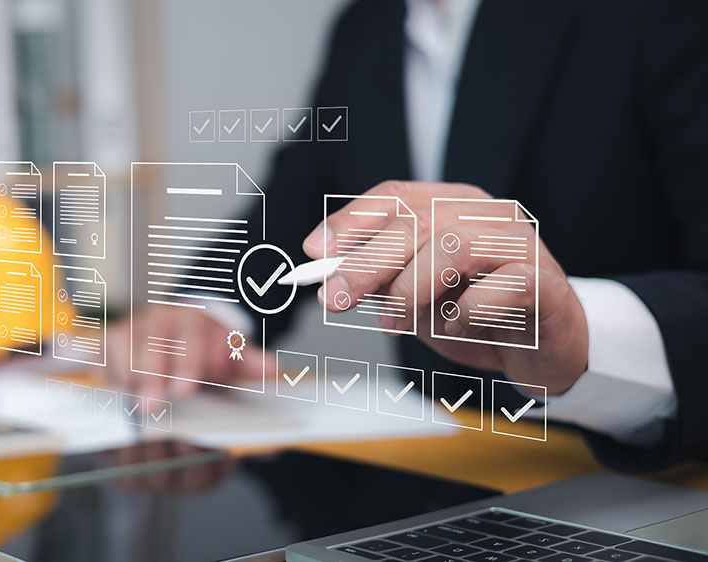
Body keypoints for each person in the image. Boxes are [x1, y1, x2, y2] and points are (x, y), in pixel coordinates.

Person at [110, 0, 708, 471]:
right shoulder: (368, 26)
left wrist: (583, 337)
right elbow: (293, 205)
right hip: (434, 476)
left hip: (649, 479)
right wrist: (209, 313)